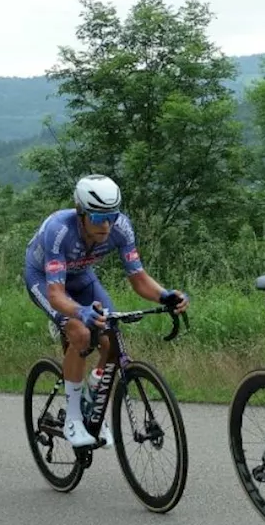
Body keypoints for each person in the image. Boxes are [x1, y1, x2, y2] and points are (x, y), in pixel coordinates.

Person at [22, 174, 188, 449]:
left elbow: (138, 278)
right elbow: (55, 294)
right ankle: (73, 418)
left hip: (81, 276)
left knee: (111, 340)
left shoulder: (121, 228)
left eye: (112, 216)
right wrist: (79, 313)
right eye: (99, 218)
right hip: (44, 279)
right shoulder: (59, 230)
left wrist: (165, 295)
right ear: (81, 213)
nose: (107, 225)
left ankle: (94, 397)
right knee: (80, 334)